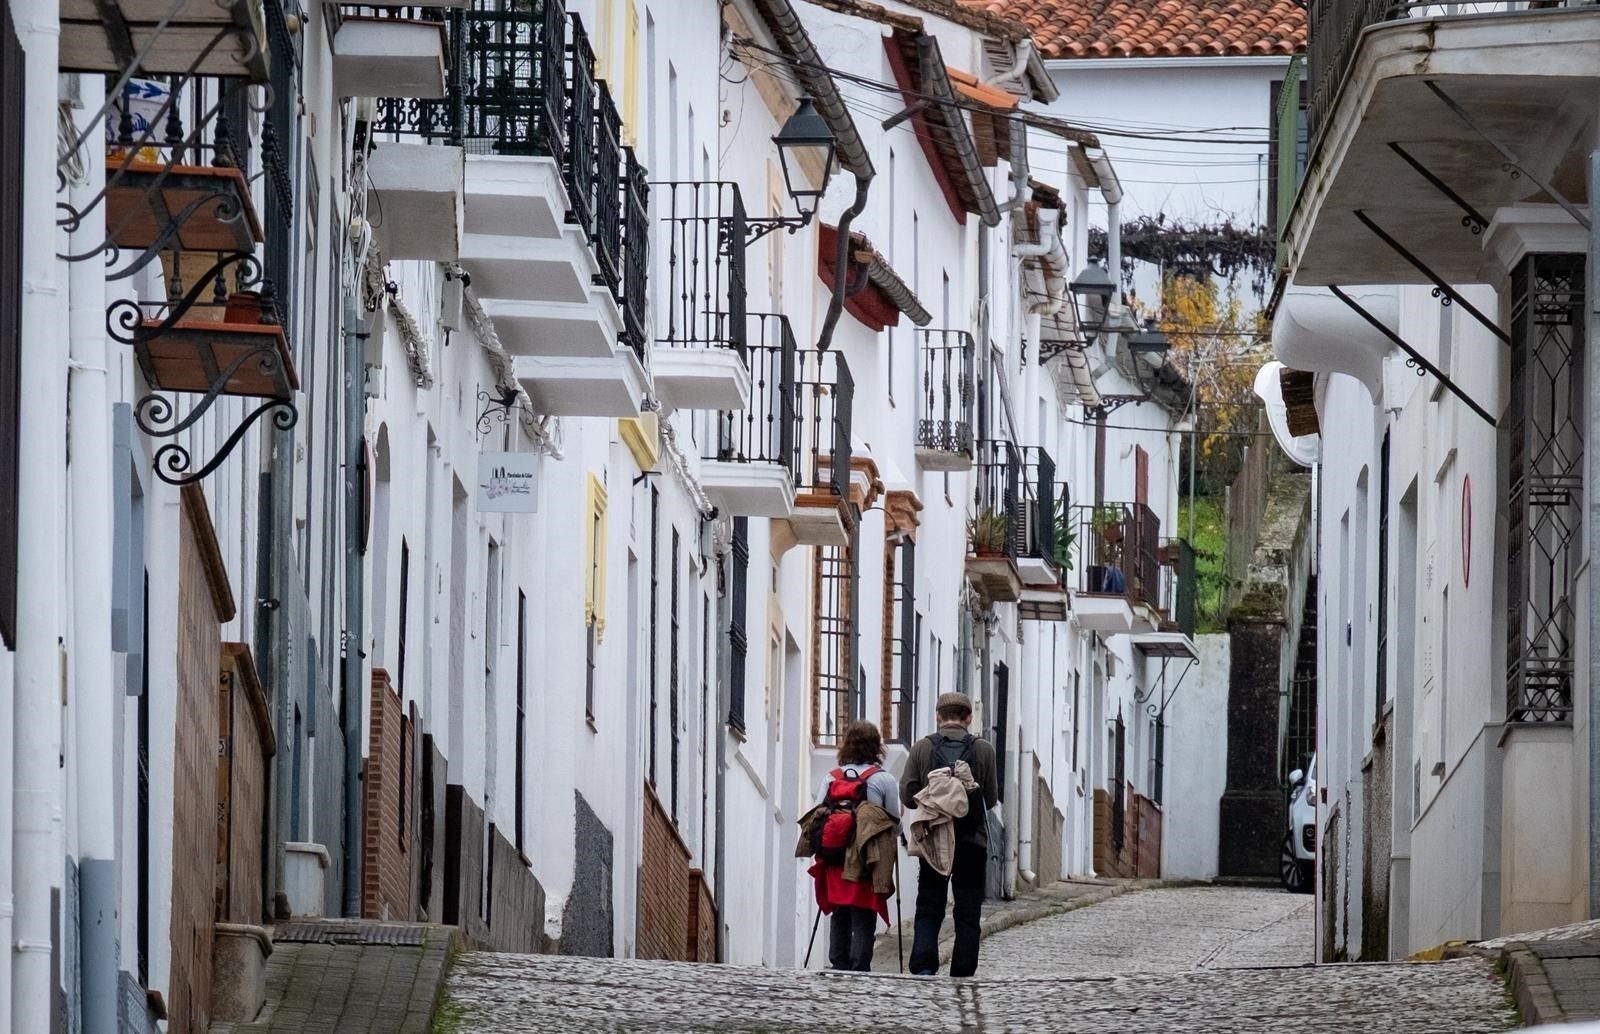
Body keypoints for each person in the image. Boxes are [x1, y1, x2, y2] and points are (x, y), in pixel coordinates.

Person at [901, 692, 999, 977]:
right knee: (968, 912)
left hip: (934, 840)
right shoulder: (984, 750)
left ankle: (923, 967)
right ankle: (963, 971)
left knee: (929, 905)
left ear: (938, 716)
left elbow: (907, 795)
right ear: (969, 717)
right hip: (972, 842)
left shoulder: (922, 749)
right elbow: (990, 798)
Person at [797, 720, 901, 972]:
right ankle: (859, 966)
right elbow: (894, 822)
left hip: (834, 856)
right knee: (863, 912)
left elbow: (819, 811)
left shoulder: (831, 778)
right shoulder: (883, 780)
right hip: (866, 856)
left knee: (839, 910)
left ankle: (838, 962)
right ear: (876, 747)